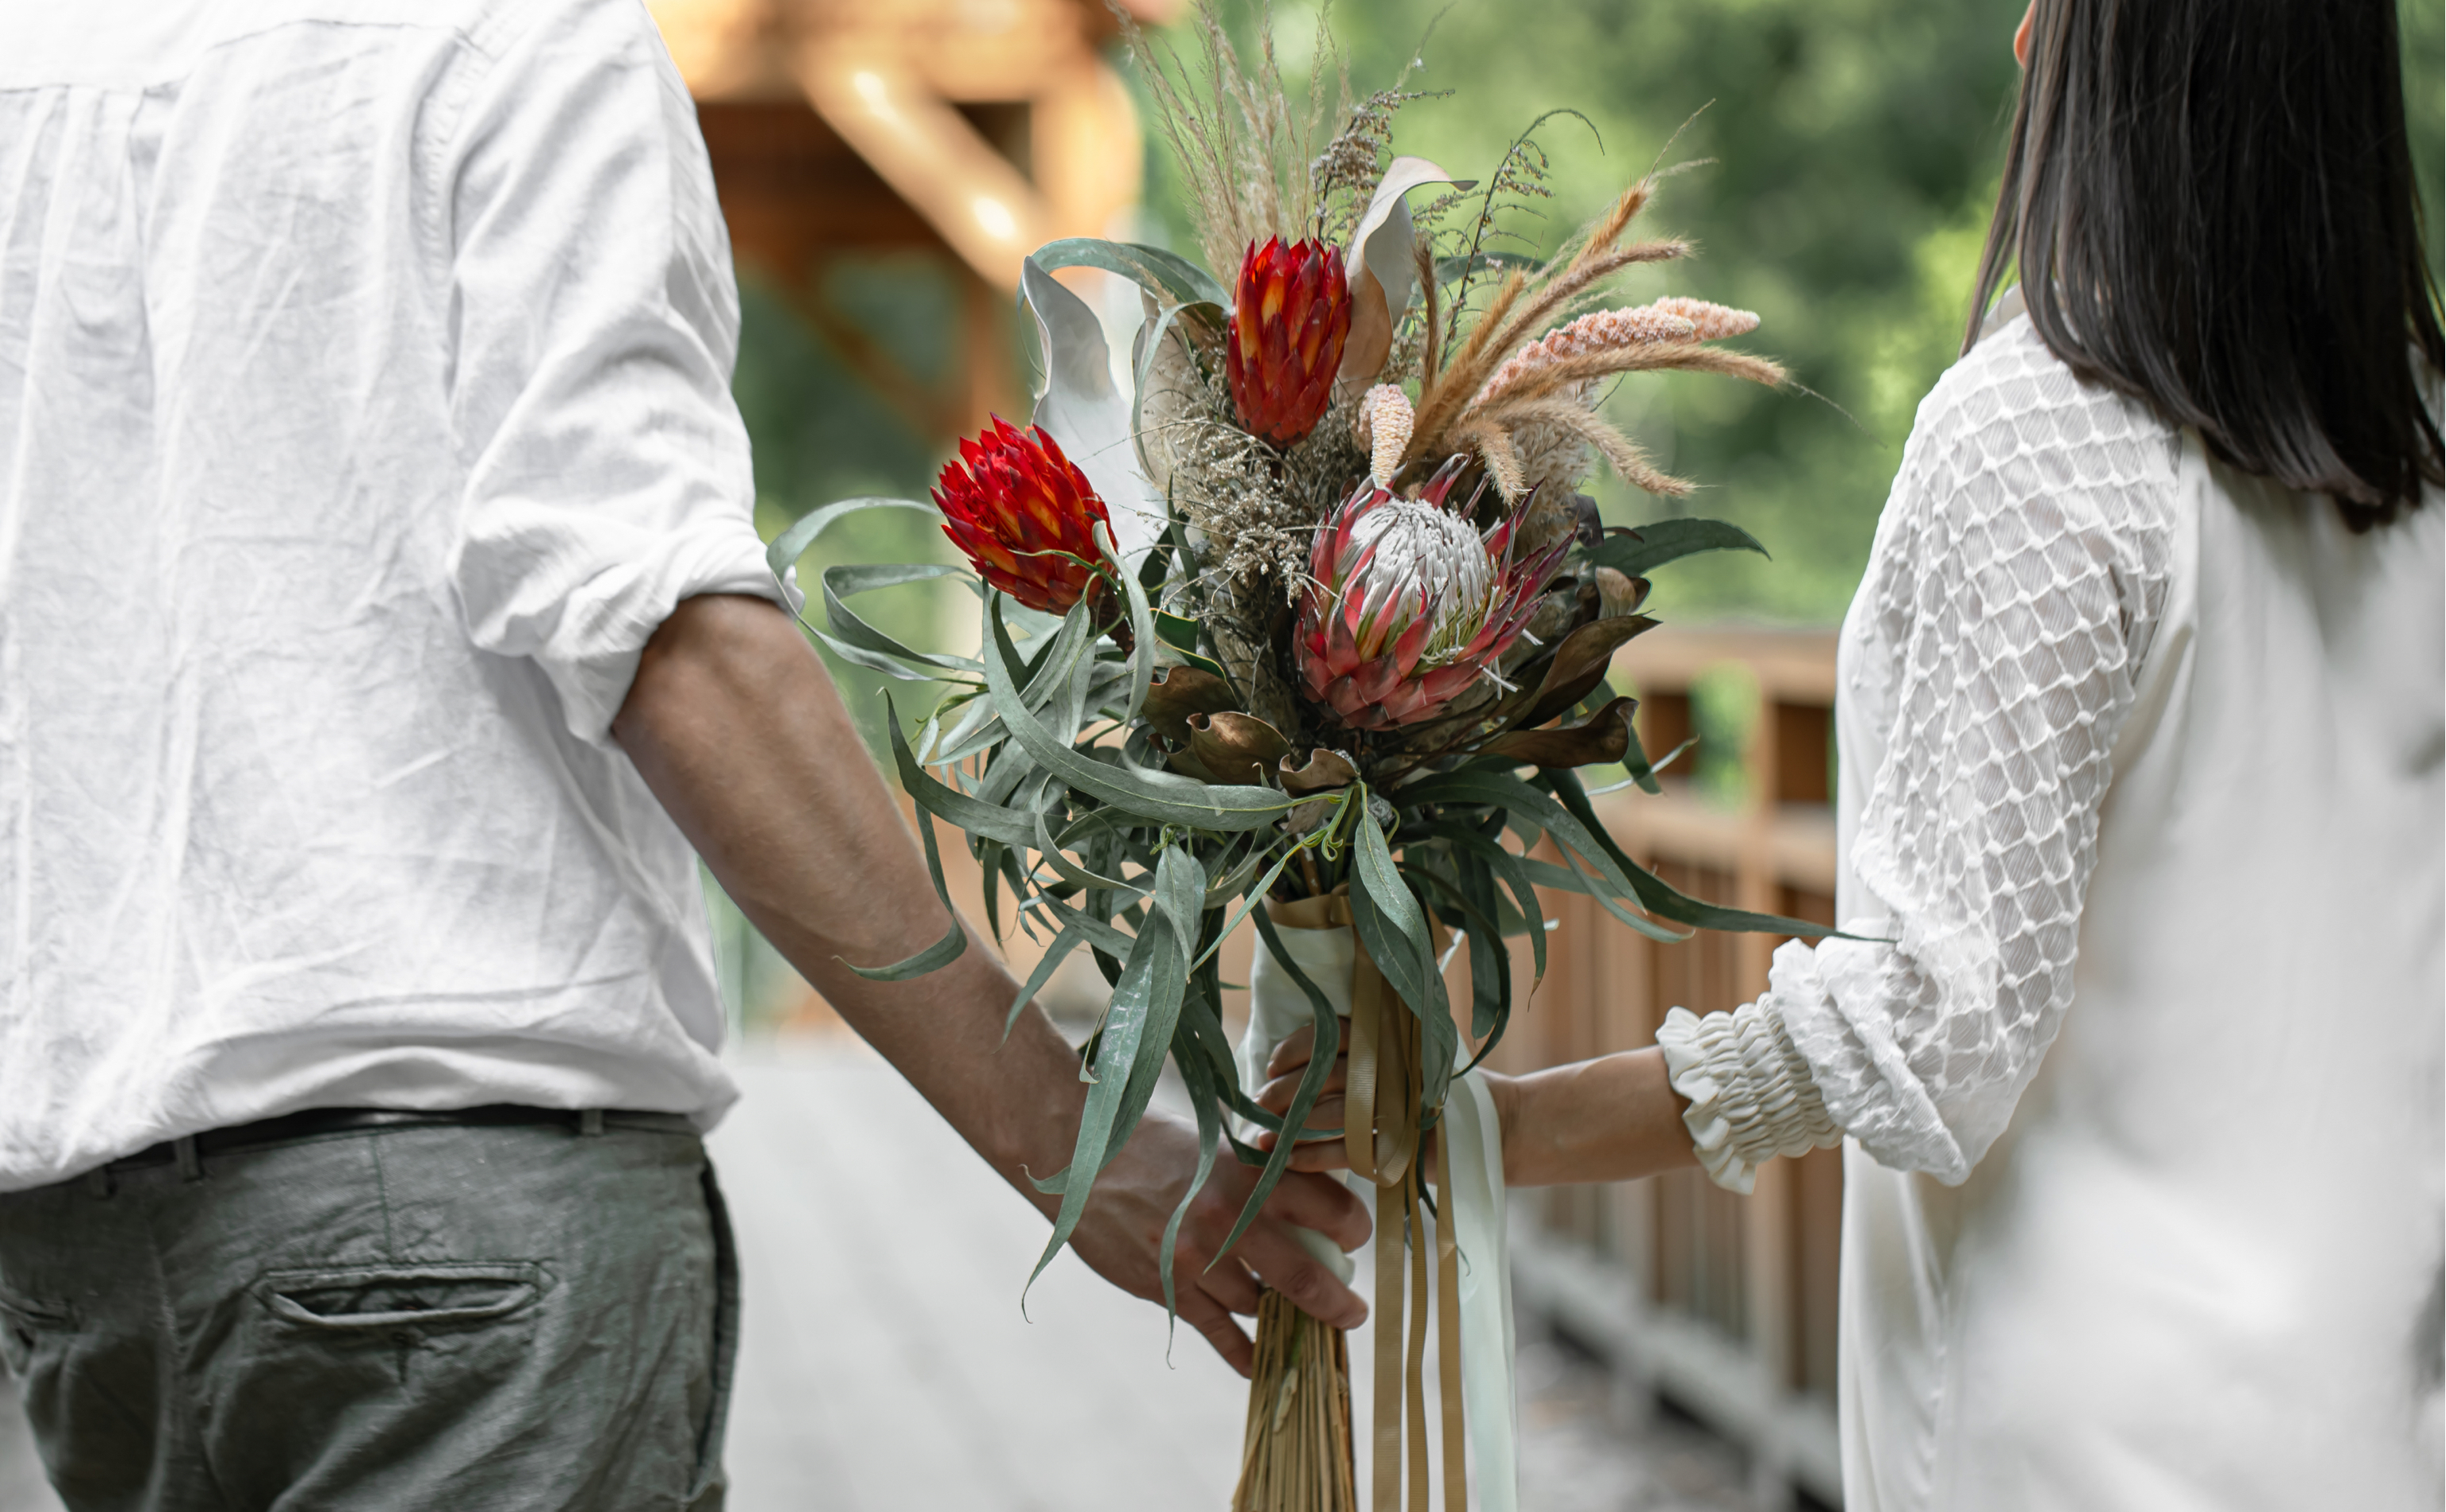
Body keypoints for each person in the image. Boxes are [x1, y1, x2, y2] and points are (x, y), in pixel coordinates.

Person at [0, 2, 1369, 1508]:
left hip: (85, 1245)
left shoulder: (38, 68)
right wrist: (1071, 1137)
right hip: (464, 1233)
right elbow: (655, 620)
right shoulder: (520, 39)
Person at [1260, 0, 2444, 1506]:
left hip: (2087, 1433)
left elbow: (1934, 1023)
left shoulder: (2043, 436)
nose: (2023, 39)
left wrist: (1497, 1133)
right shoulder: (2416, 442)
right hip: (2373, 1412)